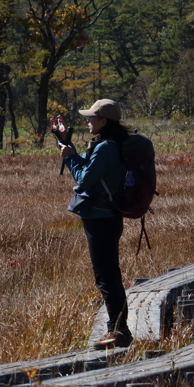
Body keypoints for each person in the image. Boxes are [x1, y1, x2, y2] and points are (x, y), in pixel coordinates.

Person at [51, 99, 132, 349]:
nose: (87, 121)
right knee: (108, 275)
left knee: (106, 277)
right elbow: (84, 163)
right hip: (104, 217)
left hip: (101, 219)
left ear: (103, 121)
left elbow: (84, 179)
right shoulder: (106, 144)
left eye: (90, 118)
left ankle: (118, 332)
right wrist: (65, 140)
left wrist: (70, 157)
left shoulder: (106, 147)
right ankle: (118, 330)